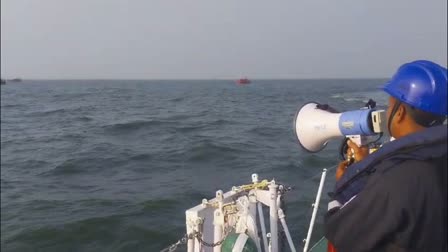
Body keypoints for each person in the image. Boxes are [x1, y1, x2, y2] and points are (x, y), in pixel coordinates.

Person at [324, 60, 447, 252]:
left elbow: (342, 233)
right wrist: (366, 167)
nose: (387, 112)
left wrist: (344, 187)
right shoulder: (438, 156)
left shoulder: (396, 177)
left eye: (389, 106)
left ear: (400, 113)